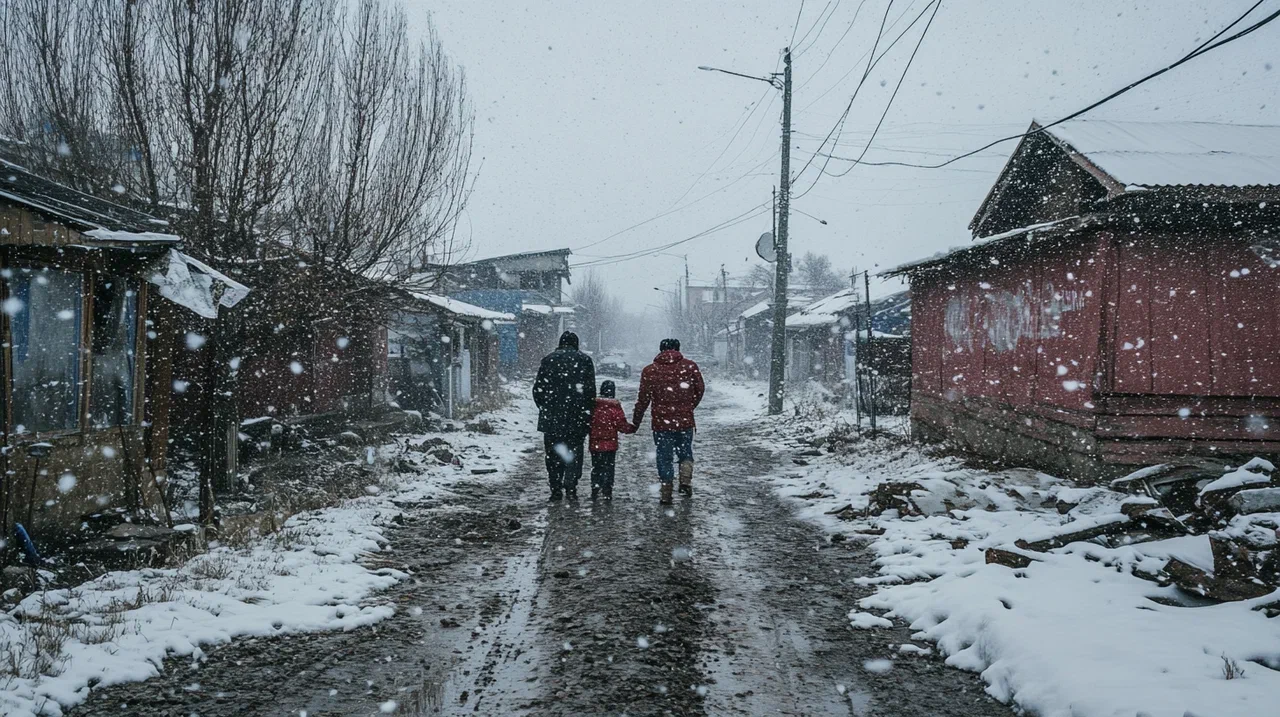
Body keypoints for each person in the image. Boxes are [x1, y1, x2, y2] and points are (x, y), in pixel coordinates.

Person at [631, 338, 705, 505]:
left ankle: (666, 492)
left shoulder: (650, 370)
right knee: (685, 451)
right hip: (684, 421)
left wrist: (636, 422)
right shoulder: (690, 366)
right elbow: (700, 389)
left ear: (660, 350)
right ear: (678, 349)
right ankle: (685, 481)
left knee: (664, 456)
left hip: (661, 423)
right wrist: (689, 406)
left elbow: (643, 399)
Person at [532, 331, 596, 500]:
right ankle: (571, 484)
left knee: (553, 453)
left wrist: (546, 408)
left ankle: (555, 486)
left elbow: (538, 390)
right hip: (577, 417)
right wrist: (586, 412)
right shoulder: (585, 361)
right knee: (574, 451)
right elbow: (590, 392)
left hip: (552, 418)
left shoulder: (548, 360)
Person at [588, 380, 636, 500]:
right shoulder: (615, 408)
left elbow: (587, 423)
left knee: (596, 466)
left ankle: (595, 487)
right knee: (609, 467)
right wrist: (632, 428)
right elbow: (621, 425)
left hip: (595, 444)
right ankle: (607, 489)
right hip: (610, 445)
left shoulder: (594, 407)